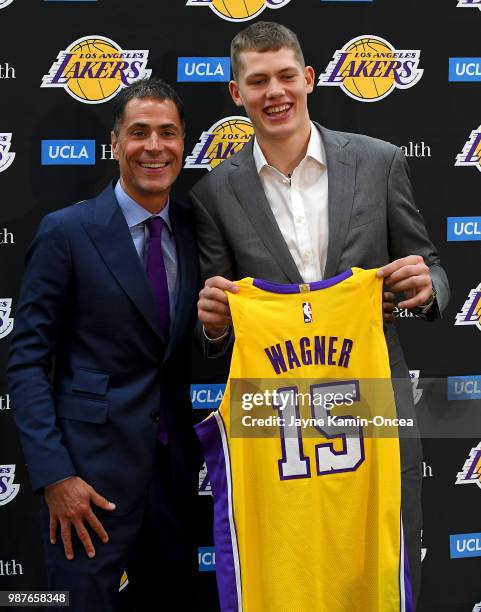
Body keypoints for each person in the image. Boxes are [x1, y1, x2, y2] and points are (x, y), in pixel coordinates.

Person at [190, 21, 450, 608]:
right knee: (292, 575)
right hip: (277, 424)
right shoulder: (213, 194)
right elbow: (218, 322)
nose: (274, 92)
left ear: (308, 79)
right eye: (257, 81)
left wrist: (426, 286)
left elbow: (432, 267)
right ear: (237, 93)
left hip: (373, 409)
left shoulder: (378, 162)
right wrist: (211, 325)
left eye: (286, 75)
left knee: (383, 568)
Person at [8, 78, 201, 612]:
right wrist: (56, 477)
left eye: (168, 132)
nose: (154, 147)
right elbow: (26, 364)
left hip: (173, 487)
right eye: (138, 133)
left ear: (184, 143)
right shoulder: (66, 232)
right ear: (114, 144)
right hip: (86, 490)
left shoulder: (194, 230)